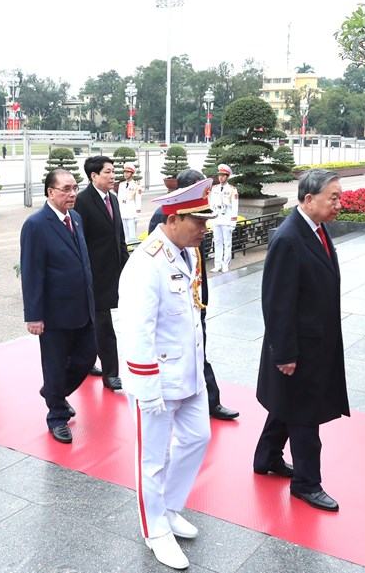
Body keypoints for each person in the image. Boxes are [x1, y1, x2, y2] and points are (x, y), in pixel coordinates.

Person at [117, 178, 217, 570]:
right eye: (200, 222)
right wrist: (145, 387)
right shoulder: (147, 261)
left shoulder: (185, 251)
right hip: (156, 379)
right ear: (175, 219)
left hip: (188, 372)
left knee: (198, 438)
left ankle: (171, 507)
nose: (205, 229)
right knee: (152, 459)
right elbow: (136, 329)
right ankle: (155, 529)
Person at [253, 168, 349, 512]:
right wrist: (285, 353)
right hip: (297, 347)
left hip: (314, 341)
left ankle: (266, 457)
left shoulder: (317, 229)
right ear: (309, 200)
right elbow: (276, 303)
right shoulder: (289, 238)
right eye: (333, 198)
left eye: (340, 196)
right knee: (305, 416)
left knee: (287, 404)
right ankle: (307, 483)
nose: (339, 204)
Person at [147, 169, 239, 421]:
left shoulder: (197, 213)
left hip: (195, 296)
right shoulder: (164, 217)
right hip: (176, 303)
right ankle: (205, 401)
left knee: (200, 350)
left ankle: (207, 400)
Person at [20, 169, 96, 444]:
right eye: (65, 189)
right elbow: (32, 272)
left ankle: (54, 392)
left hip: (83, 306)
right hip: (54, 312)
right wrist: (34, 315)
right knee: (54, 365)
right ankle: (57, 416)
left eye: (75, 188)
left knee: (87, 357)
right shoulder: (36, 225)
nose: (72, 193)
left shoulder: (75, 218)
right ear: (51, 192)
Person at [74, 155, 128, 392]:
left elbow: (120, 237)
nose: (113, 175)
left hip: (113, 272)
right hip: (93, 276)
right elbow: (79, 241)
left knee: (90, 324)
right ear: (94, 176)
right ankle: (111, 373)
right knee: (104, 326)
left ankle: (84, 362)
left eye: (113, 171)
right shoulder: (82, 202)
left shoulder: (113, 199)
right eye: (107, 172)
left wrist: (127, 264)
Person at [208, 164, 239, 272]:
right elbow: (211, 205)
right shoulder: (214, 188)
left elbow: (235, 207)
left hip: (226, 218)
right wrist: (210, 220)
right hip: (217, 218)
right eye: (219, 175)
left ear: (227, 177)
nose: (221, 177)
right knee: (217, 242)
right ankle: (218, 264)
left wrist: (233, 223)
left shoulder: (232, 190)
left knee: (227, 243)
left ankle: (225, 264)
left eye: (223, 175)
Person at [117, 163, 143, 242]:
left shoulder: (136, 185)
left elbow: (138, 200)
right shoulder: (121, 185)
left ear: (132, 173)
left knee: (132, 234)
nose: (125, 174)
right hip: (122, 211)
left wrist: (137, 215)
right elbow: (119, 199)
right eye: (124, 172)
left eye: (128, 172)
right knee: (124, 234)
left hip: (131, 212)